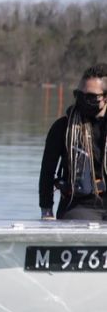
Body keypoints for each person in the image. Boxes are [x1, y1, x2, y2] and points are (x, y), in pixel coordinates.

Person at [39, 64, 107, 220]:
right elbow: (47, 172)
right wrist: (46, 211)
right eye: (79, 95)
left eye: (90, 97)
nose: (83, 101)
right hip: (79, 204)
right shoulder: (63, 127)